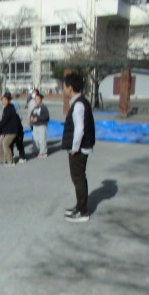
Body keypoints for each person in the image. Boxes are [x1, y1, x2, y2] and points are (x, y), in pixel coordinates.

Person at [62, 73, 95, 223]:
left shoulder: (79, 105)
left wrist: (75, 148)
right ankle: (79, 206)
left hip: (80, 149)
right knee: (78, 178)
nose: (63, 89)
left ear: (70, 87)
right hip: (81, 147)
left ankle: (83, 212)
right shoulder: (79, 102)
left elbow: (79, 129)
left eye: (64, 86)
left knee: (78, 178)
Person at [0, 92, 19, 167]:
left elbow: (4, 120)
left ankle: (10, 161)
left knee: (5, 143)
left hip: (12, 131)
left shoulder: (10, 108)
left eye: (5, 100)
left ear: (8, 100)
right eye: (2, 100)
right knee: (0, 143)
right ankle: (0, 159)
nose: (3, 101)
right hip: (7, 130)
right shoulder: (6, 108)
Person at [29, 92, 50, 158]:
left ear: (41, 99)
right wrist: (31, 118)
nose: (36, 100)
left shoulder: (44, 107)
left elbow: (46, 117)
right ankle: (36, 150)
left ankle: (43, 152)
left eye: (38, 99)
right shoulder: (35, 107)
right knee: (35, 139)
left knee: (42, 139)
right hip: (35, 125)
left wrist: (37, 118)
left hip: (42, 125)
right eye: (35, 99)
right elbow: (32, 114)